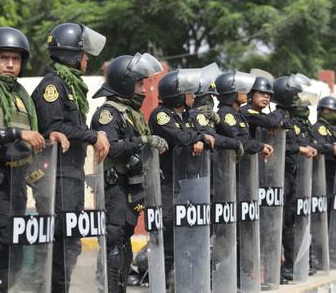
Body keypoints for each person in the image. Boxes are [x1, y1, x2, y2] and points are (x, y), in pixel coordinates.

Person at [0, 26, 69, 292]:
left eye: (16, 59)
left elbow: (34, 138)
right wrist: (17, 133)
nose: (10, 64)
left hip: (18, 185)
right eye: (4, 58)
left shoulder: (21, 95)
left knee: (16, 257)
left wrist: (48, 136)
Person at [31, 22, 110, 292]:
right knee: (59, 245)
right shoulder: (53, 86)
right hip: (56, 178)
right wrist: (93, 135)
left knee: (69, 245)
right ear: (72, 54)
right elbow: (55, 128)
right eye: (85, 53)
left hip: (70, 176)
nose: (88, 59)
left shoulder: (71, 86)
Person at [91, 53, 167, 292]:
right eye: (138, 84)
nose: (143, 90)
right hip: (115, 188)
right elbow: (111, 147)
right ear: (124, 83)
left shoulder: (130, 112)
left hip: (131, 188)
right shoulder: (109, 113)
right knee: (114, 244)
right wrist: (144, 139)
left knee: (124, 244)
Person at [149, 70, 215, 288]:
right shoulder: (161, 114)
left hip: (186, 184)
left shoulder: (187, 115)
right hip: (167, 185)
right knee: (168, 238)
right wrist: (198, 138)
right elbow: (179, 137)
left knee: (190, 238)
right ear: (176, 94)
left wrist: (199, 138)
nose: (193, 96)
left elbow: (204, 134)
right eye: (188, 92)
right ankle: (162, 285)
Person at [271, 75, 317, 282]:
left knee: (289, 224)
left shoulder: (291, 120)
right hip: (278, 179)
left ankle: (290, 265)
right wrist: (299, 148)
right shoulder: (277, 118)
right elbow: (279, 146)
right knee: (278, 224)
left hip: (292, 177)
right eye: (297, 95)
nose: (301, 99)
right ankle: (277, 268)